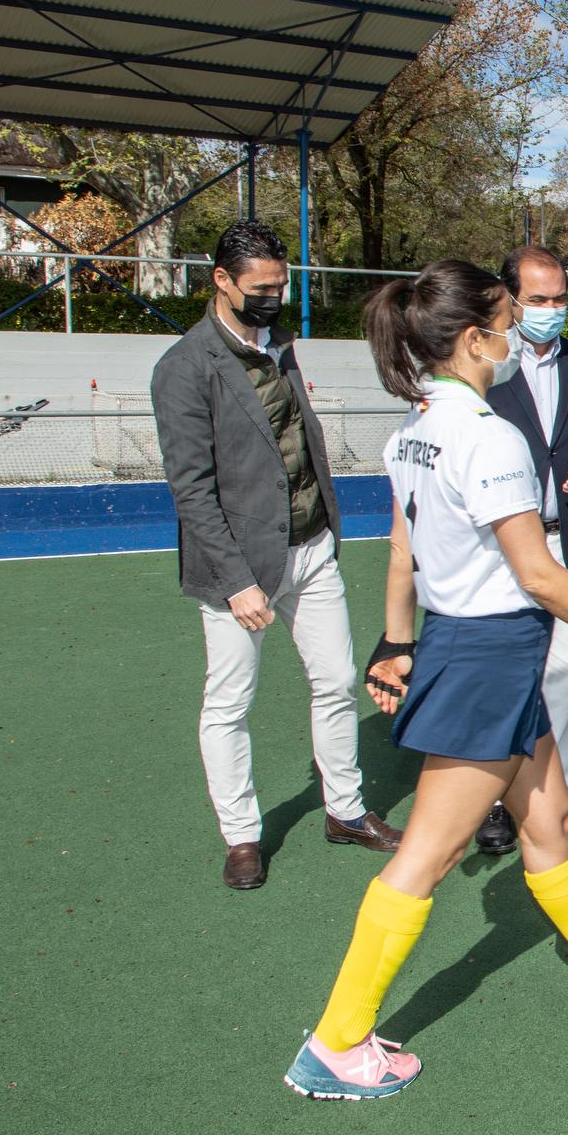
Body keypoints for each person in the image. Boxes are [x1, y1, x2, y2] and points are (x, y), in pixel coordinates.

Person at [283, 260, 568, 1101]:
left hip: (472, 649)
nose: (515, 335)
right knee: (428, 856)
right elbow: (538, 574)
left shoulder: (414, 428)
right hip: (490, 654)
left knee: (552, 822)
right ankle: (336, 1040)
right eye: (507, 320)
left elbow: (402, 550)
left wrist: (396, 644)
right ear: (473, 339)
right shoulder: (490, 436)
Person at [150, 221, 400, 891]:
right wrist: (236, 581)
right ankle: (241, 835)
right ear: (222, 282)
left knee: (336, 679)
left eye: (281, 284)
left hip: (312, 544)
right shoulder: (183, 368)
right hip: (241, 570)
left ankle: (344, 809)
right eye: (260, 288)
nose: (273, 296)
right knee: (230, 700)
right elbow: (192, 489)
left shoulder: (279, 346)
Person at [471, 244, 568, 856]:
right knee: (504, 684)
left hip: (566, 550)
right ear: (509, 300)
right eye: (539, 300)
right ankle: (494, 804)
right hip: (498, 554)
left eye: (560, 298)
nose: (553, 309)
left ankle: (556, 800)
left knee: (561, 680)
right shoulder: (483, 365)